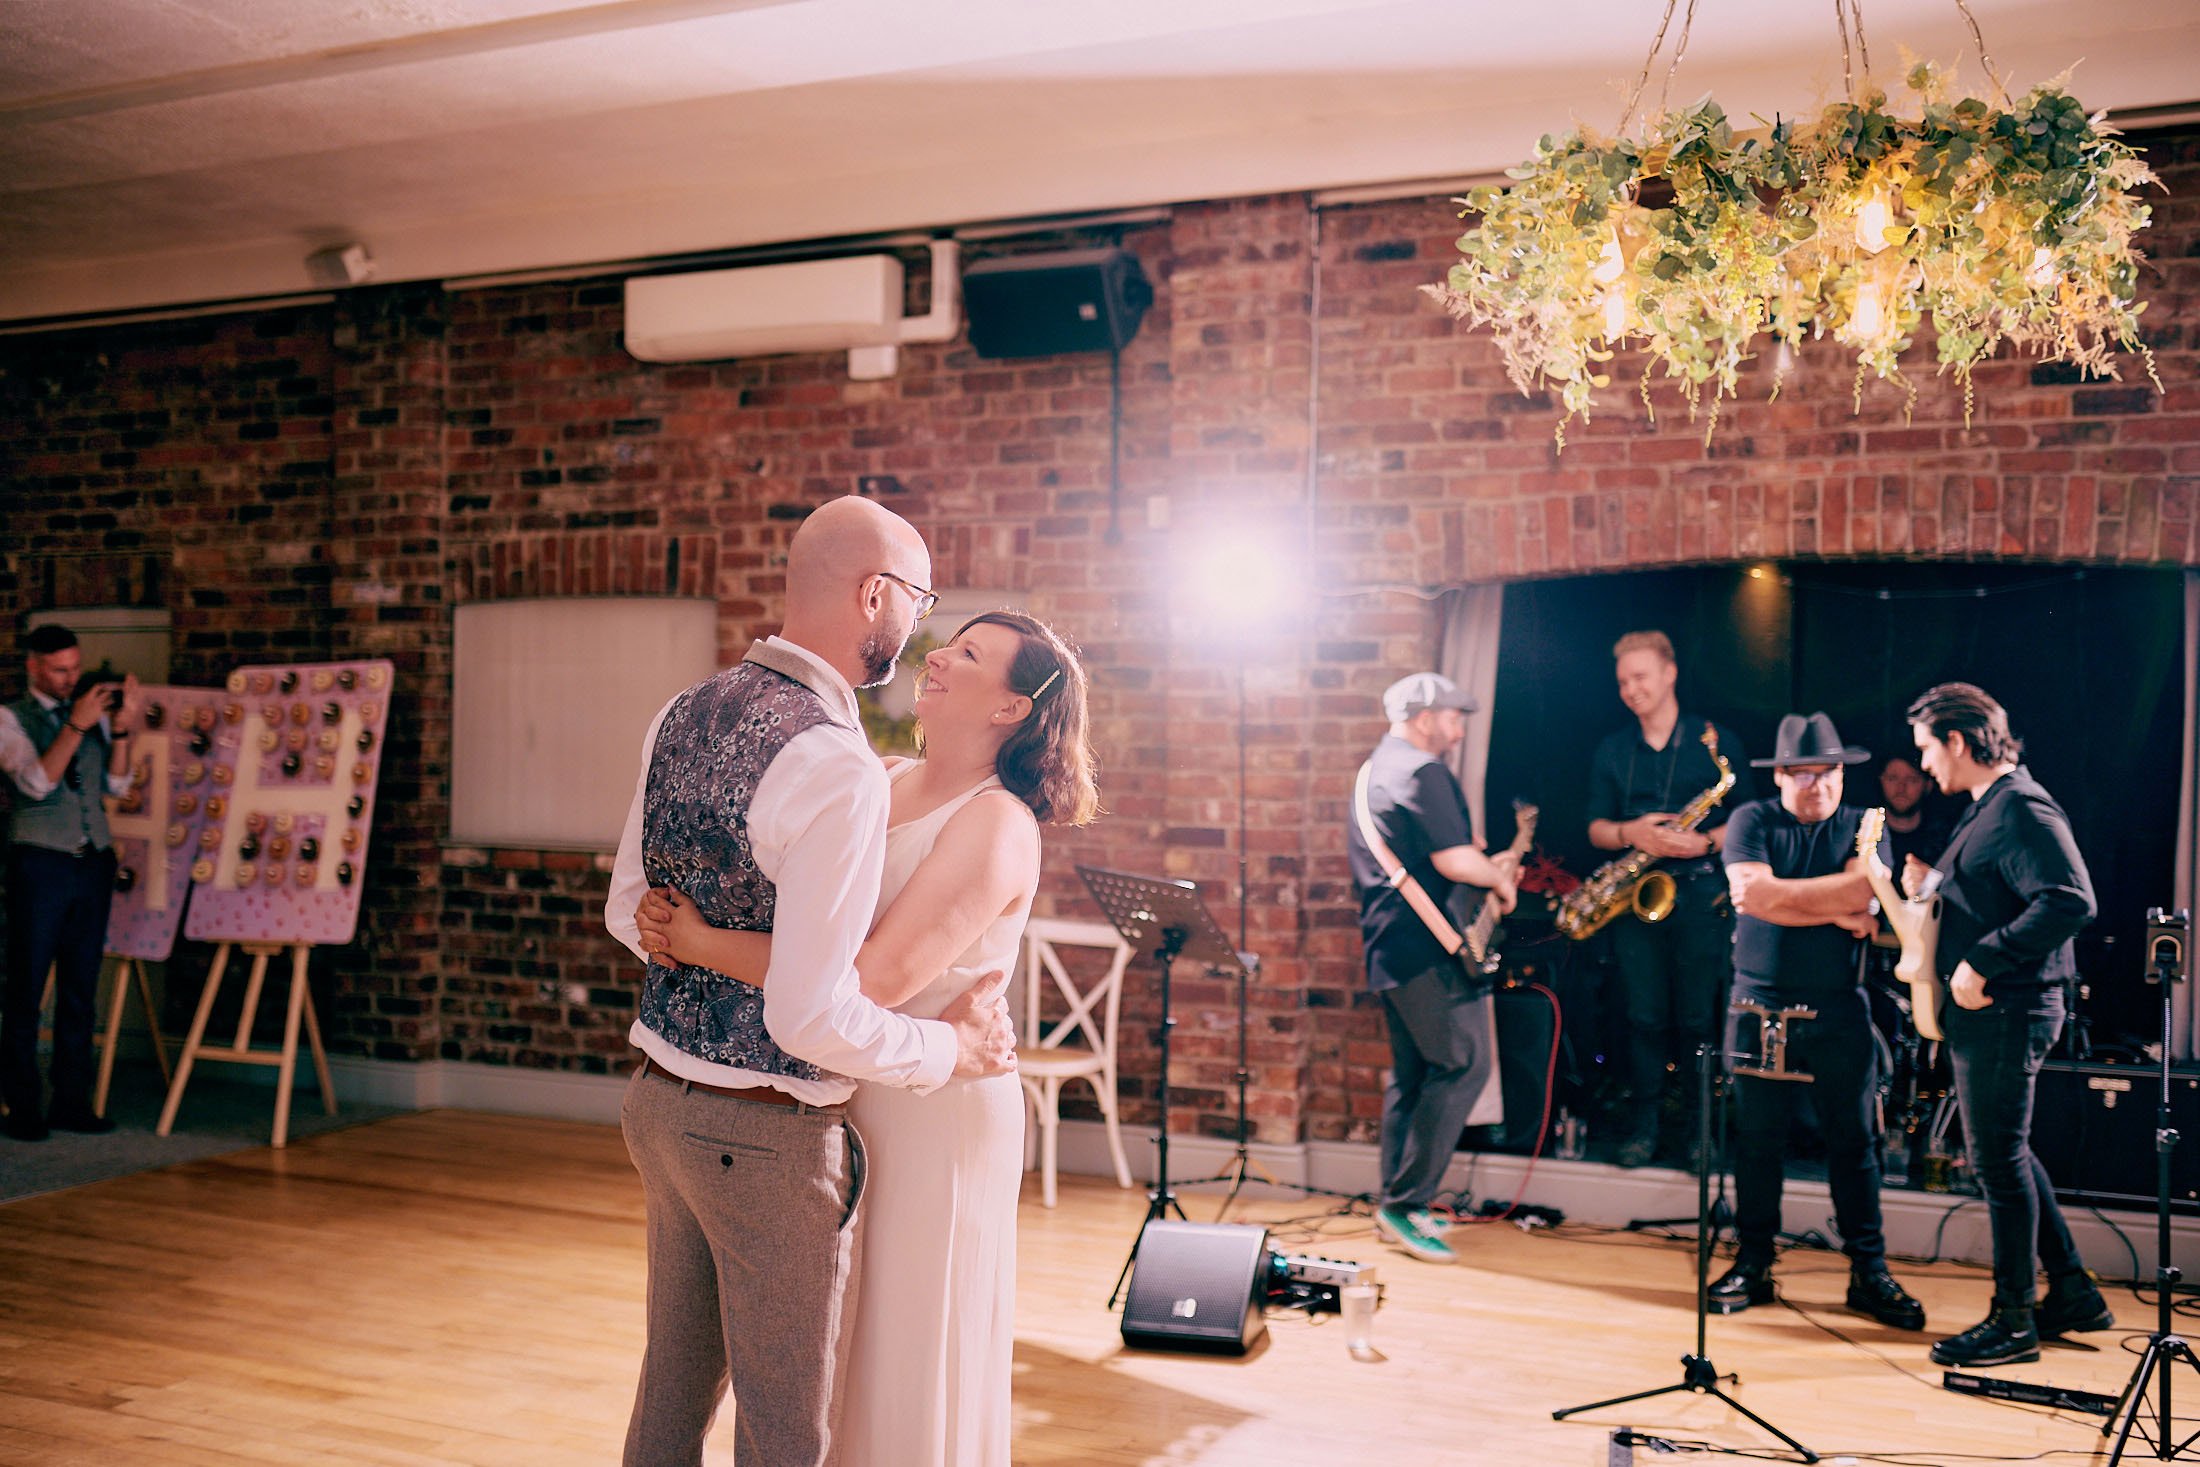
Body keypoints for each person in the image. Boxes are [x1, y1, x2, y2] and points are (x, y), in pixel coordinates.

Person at [602, 496, 1019, 1467]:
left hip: (656, 1109)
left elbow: (628, 910)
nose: (918, 626)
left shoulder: (686, 707)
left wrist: (684, 941)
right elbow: (811, 1013)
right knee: (787, 1435)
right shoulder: (835, 762)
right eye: (916, 598)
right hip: (763, 1137)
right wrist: (944, 1050)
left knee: (667, 1405)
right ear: (875, 594)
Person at [635, 609, 1097, 1467]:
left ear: (1014, 709)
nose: (940, 658)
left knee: (904, 1337)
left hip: (936, 1103)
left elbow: (873, 979)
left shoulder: (999, 823)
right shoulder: (877, 778)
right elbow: (799, 928)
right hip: (839, 1086)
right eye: (949, 641)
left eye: (971, 654)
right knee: (829, 1349)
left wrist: (697, 942)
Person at [1906, 682, 2113, 1368]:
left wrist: (1981, 960)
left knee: (1997, 1161)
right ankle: (2075, 1291)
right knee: (2009, 1152)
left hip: (2008, 1005)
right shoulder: (1987, 807)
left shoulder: (2021, 805)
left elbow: (2070, 898)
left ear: (1958, 742)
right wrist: (1930, 883)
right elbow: (1991, 885)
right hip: (1995, 1008)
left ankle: (2014, 1319)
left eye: (1928, 750)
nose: (1925, 766)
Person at [1711, 712, 1926, 1331]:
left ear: (1841, 772)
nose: (1818, 786)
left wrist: (1792, 899)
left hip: (1839, 1003)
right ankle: (1753, 1263)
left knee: (1854, 1145)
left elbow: (1866, 897)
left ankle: (1869, 1272)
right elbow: (1751, 895)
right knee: (1758, 1144)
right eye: (1802, 775)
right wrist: (1834, 904)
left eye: (1827, 772)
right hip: (1757, 1006)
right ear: (1780, 777)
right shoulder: (1753, 819)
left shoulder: (1868, 824)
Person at [1346, 671, 1519, 1264]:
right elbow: (1453, 860)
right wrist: (1498, 875)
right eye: (1453, 715)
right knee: (1465, 1065)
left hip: (1390, 949)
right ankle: (1405, 1203)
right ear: (1424, 717)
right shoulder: (1421, 771)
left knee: (1414, 1075)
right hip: (1429, 951)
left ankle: (1396, 1202)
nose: (1458, 726)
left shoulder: (1376, 767)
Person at [1583, 631, 1748, 1168]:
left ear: (1669, 673)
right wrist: (1632, 832)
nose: (1631, 690)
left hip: (1701, 895)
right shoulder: (1612, 749)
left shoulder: (1716, 742)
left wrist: (1703, 841)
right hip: (1636, 898)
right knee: (1643, 1017)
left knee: (1699, 1019)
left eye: (1641, 677)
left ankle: (1700, 1131)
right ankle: (1645, 1126)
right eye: (1623, 682)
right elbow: (1595, 829)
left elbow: (1747, 819)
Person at [2, 623, 141, 1142]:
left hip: (92, 862)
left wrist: (121, 728)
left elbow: (119, 785)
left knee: (81, 988)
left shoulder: (91, 715)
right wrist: (76, 727)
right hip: (39, 863)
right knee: (27, 986)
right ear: (34, 666)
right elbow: (36, 783)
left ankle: (71, 1101)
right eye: (60, 670)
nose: (70, 678)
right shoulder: (10, 719)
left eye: (76, 668)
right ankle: (23, 1106)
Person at [1876, 752, 1953, 875]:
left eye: (1912, 780)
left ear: (1927, 785)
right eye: (1892, 778)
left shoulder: (1945, 837)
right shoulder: (1865, 833)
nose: (1901, 788)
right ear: (1881, 781)